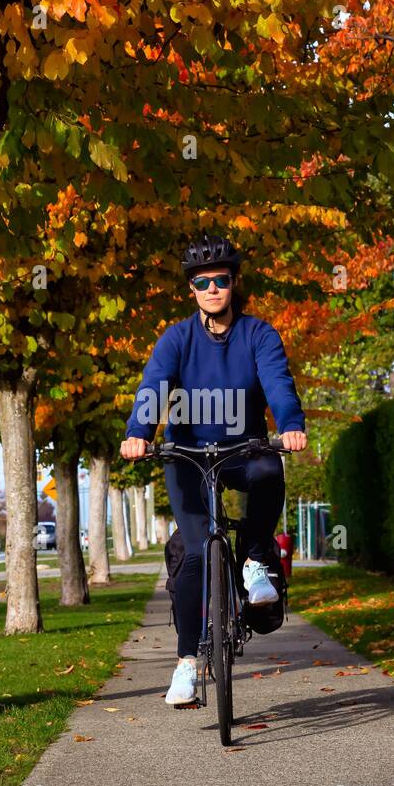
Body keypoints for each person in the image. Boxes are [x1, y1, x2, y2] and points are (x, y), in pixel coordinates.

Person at [119, 233, 307, 706]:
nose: (211, 290)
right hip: (188, 455)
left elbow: (278, 385)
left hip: (245, 448)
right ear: (192, 290)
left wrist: (290, 424)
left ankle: (256, 562)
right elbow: (154, 385)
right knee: (197, 552)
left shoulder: (258, 334)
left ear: (233, 282)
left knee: (268, 472)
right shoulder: (176, 338)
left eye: (219, 281)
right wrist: (139, 431)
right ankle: (186, 664)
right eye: (202, 282)